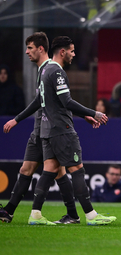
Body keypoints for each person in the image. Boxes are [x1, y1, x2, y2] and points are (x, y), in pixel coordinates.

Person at [12, 36, 115, 226]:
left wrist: (84, 115)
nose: (74, 55)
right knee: (76, 169)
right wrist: (94, 113)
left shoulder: (44, 71)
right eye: (72, 51)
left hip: (48, 130)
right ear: (62, 52)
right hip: (62, 128)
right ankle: (91, 216)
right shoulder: (56, 71)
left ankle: (35, 214)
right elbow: (66, 102)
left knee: (49, 169)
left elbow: (48, 102)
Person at [0, 32, 86, 224]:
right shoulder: (44, 70)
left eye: (30, 48)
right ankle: (12, 211)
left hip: (48, 129)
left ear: (41, 49)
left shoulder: (50, 69)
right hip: (40, 129)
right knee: (29, 169)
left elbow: (58, 102)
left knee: (56, 170)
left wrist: (88, 114)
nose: (26, 52)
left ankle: (65, 214)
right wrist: (18, 119)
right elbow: (40, 101)